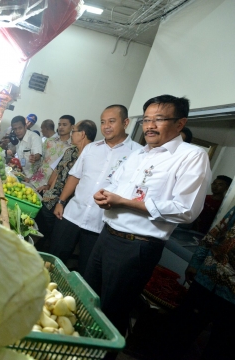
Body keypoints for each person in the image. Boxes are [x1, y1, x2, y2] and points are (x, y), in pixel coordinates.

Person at [88, 94, 211, 339]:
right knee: (87, 297)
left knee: (111, 314)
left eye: (159, 119)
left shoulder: (191, 156)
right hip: (107, 236)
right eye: (146, 120)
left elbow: (186, 209)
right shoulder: (139, 154)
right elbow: (115, 182)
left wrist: (126, 203)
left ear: (180, 123)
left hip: (137, 246)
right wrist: (105, 195)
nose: (150, 126)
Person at [49, 105, 142, 274]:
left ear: (126, 122)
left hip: (100, 223)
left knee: (87, 270)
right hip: (71, 214)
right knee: (54, 257)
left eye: (112, 121)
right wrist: (61, 202)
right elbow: (75, 176)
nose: (106, 126)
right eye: (103, 122)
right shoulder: (92, 148)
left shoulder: (138, 154)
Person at [159, 205, 235, 360]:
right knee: (179, 332)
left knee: (220, 347)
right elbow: (214, 234)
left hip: (232, 297)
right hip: (206, 279)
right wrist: (196, 261)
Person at [35, 120, 96, 248]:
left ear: (82, 134)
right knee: (39, 232)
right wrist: (48, 186)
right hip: (51, 199)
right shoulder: (70, 151)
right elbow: (58, 170)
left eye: (74, 131)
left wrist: (61, 202)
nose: (72, 134)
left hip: (68, 207)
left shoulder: (94, 156)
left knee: (56, 241)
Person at [29, 116, 74, 190]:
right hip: (36, 180)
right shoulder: (49, 141)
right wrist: (30, 176)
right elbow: (39, 160)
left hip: (51, 187)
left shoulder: (72, 147)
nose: (61, 127)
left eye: (64, 125)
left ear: (72, 127)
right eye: (59, 124)